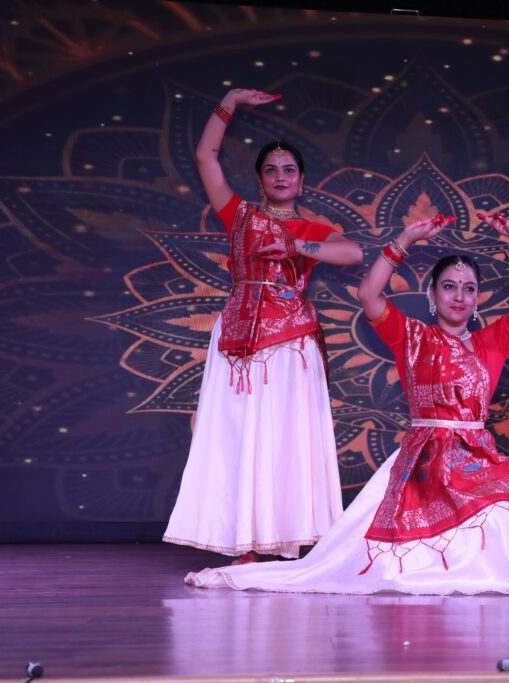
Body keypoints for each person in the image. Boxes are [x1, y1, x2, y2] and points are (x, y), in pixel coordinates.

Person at [183, 212, 509, 594]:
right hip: (419, 465)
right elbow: (371, 297)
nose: (461, 296)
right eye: (450, 287)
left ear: (478, 299)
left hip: (478, 461)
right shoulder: (409, 336)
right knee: (383, 563)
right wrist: (403, 241)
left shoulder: (492, 341)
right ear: (433, 296)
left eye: (470, 289)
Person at [163, 89, 363, 564]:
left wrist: (298, 248)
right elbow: (205, 155)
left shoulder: (313, 229)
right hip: (239, 344)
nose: (280, 176)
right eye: (270, 169)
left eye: (288, 169)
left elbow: (352, 252)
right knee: (241, 437)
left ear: (301, 179)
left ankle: (288, 535)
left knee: (286, 439)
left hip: (291, 345)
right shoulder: (240, 216)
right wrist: (229, 101)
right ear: (259, 178)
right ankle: (243, 542)